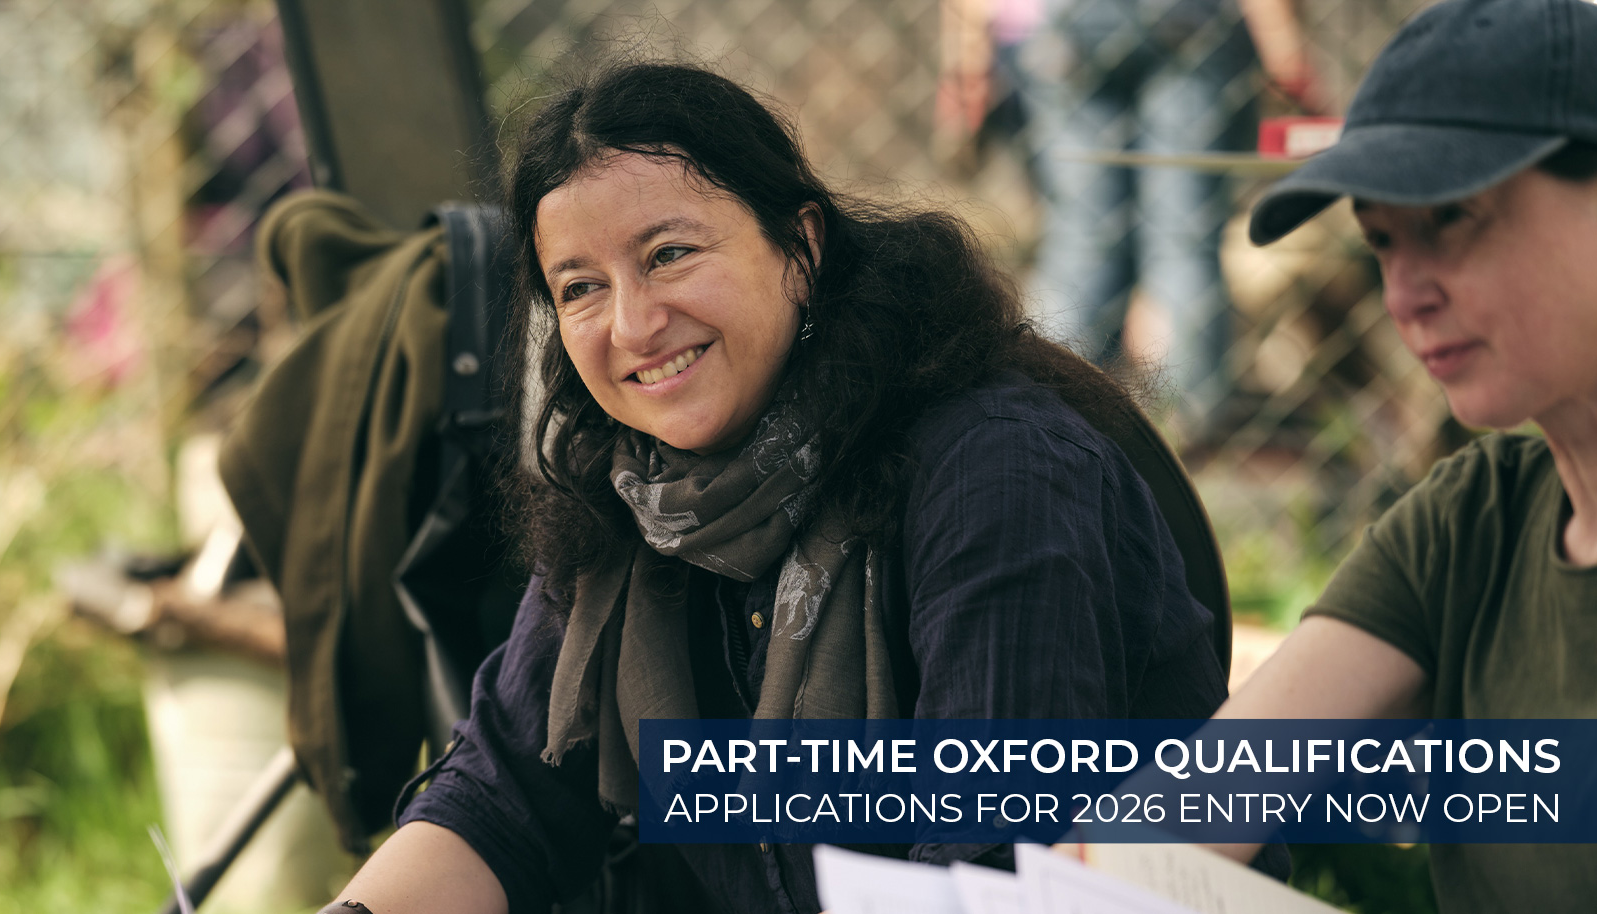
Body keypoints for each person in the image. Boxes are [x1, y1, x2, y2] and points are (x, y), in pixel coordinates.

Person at [326, 62, 1232, 913]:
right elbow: (499, 800)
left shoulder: (995, 470)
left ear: (801, 247)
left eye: (670, 254)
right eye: (581, 288)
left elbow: (990, 864)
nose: (633, 325)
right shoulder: (633, 492)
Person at [1208, 0, 1597, 908]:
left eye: (1452, 218)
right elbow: (1180, 816)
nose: (1402, 295)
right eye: (1381, 241)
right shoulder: (1473, 526)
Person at [985, 0, 1317, 419]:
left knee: (1082, 242)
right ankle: (1188, 425)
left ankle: (1049, 416)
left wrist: (967, 55)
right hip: (1187, 17)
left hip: (1066, 19)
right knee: (1184, 242)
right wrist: (1284, 47)